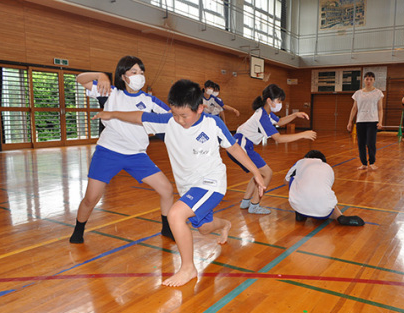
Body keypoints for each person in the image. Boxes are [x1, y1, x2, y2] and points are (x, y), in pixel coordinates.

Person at [93, 79, 266, 287]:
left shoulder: (213, 124)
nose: (179, 120)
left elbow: (234, 148)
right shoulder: (169, 121)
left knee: (176, 214)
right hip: (189, 187)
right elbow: (138, 117)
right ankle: (225, 225)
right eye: (175, 114)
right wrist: (112, 114)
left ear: (200, 108)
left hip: (212, 183)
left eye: (184, 115)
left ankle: (188, 268)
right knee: (203, 228)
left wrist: (256, 172)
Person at [69, 56, 174, 244]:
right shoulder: (110, 92)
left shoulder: (150, 100)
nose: (138, 76)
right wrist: (100, 75)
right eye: (133, 72)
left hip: (137, 155)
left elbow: (172, 116)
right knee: (90, 198)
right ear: (123, 75)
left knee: (166, 189)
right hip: (108, 152)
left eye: (141, 72)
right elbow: (80, 79)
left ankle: (166, 228)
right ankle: (78, 230)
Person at [229, 84, 317, 215]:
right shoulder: (262, 117)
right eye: (279, 101)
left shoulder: (265, 113)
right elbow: (279, 139)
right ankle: (254, 205)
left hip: (242, 144)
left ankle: (246, 202)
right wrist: (303, 134)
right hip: (242, 145)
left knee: (258, 173)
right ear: (269, 100)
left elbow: (280, 121)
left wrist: (295, 114)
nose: (280, 104)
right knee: (267, 173)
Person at [285, 150, 364, 226]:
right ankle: (339, 216)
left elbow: (285, 181)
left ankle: (300, 213)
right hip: (324, 211)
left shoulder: (301, 162)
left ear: (306, 157)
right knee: (324, 191)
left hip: (299, 205)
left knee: (293, 179)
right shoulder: (328, 167)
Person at [347, 72, 384, 170]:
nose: (368, 81)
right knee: (361, 143)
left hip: (372, 121)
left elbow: (380, 109)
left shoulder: (378, 93)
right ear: (364, 80)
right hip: (360, 121)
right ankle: (363, 163)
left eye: (371, 79)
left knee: (371, 143)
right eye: (367, 79)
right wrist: (350, 121)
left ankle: (372, 162)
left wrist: (380, 121)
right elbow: (354, 108)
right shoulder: (358, 93)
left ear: (374, 81)